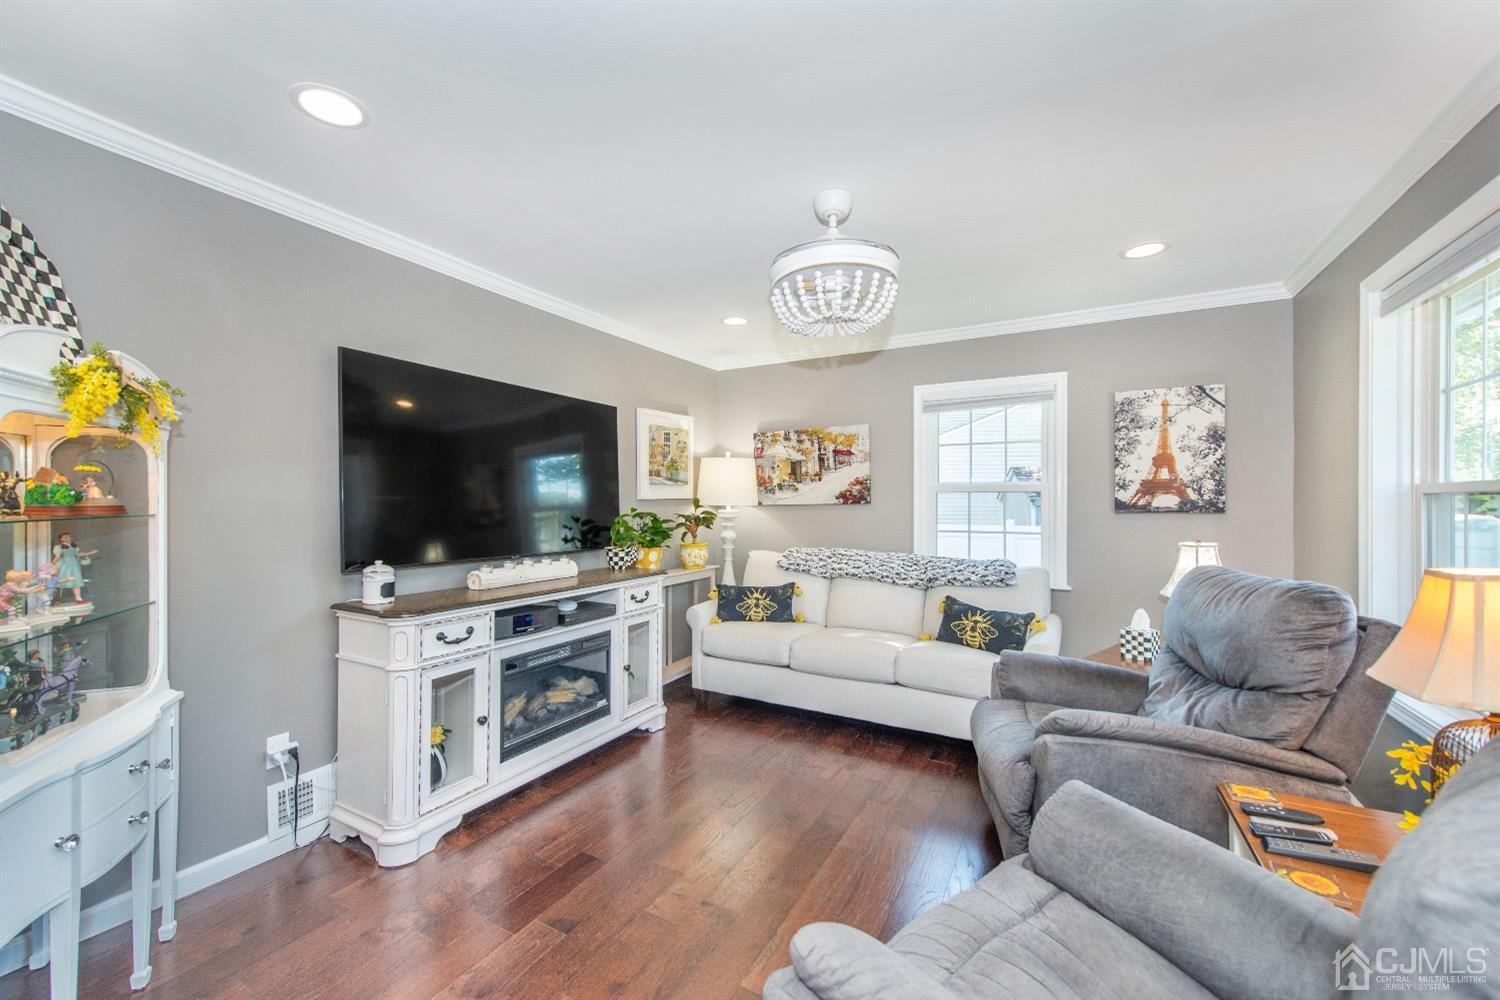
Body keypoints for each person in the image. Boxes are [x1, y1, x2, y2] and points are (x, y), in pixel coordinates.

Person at [53, 532, 97, 605]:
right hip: (64, 565)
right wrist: (51, 564)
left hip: (74, 565)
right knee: (61, 581)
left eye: (69, 536)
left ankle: (78, 598)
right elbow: (57, 557)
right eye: (65, 537)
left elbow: (78, 554)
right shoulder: (58, 547)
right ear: (61, 539)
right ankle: (57, 599)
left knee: (76, 581)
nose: (68, 538)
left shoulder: (74, 547)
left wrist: (90, 553)